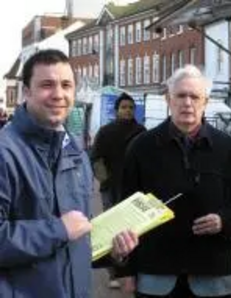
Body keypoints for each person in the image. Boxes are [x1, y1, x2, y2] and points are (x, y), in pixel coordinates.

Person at [0, 49, 138, 298]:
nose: (59, 94)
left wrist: (112, 251)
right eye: (47, 85)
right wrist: (58, 230)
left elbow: (78, 231)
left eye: (66, 85)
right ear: (26, 92)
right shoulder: (5, 152)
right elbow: (66, 229)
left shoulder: (75, 150)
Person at [120, 64, 231, 298]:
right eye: (181, 95)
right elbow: (123, 210)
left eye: (194, 96)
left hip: (213, 275)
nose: (187, 103)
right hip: (156, 274)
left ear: (205, 102)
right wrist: (125, 271)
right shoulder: (141, 148)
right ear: (168, 99)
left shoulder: (228, 149)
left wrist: (224, 220)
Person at [91, 92, 146, 288]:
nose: (128, 111)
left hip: (134, 188)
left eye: (131, 107)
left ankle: (134, 269)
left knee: (135, 228)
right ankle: (113, 274)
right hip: (112, 188)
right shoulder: (105, 132)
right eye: (124, 107)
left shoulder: (142, 131)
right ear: (116, 111)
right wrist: (105, 180)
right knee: (112, 230)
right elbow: (96, 158)